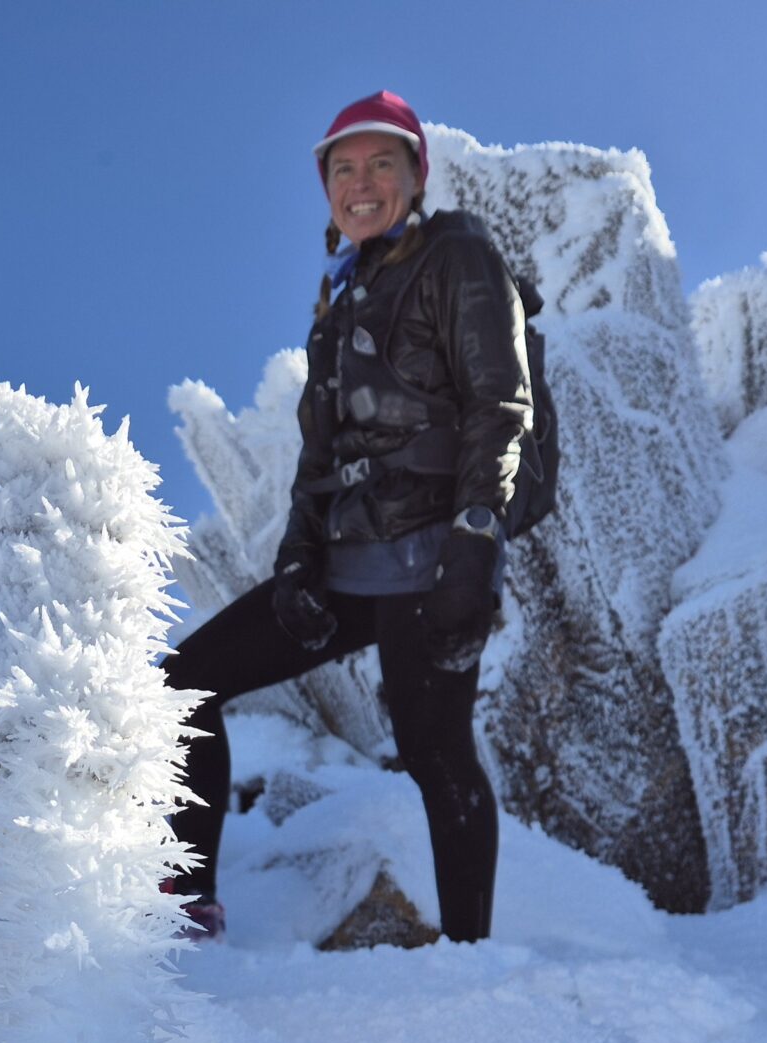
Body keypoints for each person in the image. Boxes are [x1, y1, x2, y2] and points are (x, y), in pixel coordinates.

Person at [163, 90, 532, 944]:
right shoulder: (339, 299)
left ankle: (470, 955)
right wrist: (298, 558)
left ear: (416, 174)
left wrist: (476, 543)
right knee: (182, 684)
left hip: (432, 548)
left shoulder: (457, 253)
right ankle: (188, 905)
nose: (360, 184)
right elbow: (318, 455)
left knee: (434, 748)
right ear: (326, 187)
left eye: (381, 164)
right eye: (343, 169)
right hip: (347, 554)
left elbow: (499, 404)